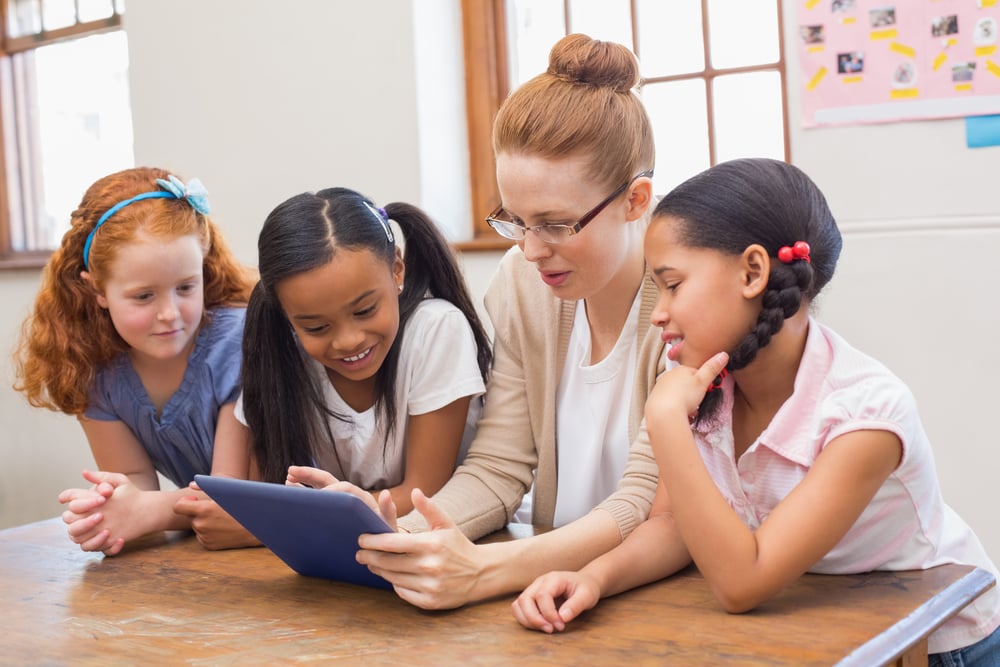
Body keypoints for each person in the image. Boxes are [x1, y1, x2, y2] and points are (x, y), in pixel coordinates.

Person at [511, 158, 1000, 664]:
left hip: (939, 641)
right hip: (819, 620)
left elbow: (742, 584)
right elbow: (674, 524)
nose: (659, 312)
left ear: (752, 272)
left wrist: (666, 427)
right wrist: (593, 577)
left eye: (673, 285)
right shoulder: (710, 383)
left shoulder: (865, 414)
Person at [291, 33, 663, 610]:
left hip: (653, 591)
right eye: (515, 220)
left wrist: (487, 568)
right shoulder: (523, 284)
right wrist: (394, 537)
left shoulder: (683, 298)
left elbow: (645, 500)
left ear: (635, 200)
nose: (532, 249)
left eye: (556, 224)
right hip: (548, 592)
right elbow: (498, 467)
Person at [13, 167, 257, 555]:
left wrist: (148, 512)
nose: (170, 313)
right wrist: (108, 512)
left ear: (203, 266)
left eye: (185, 287)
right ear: (97, 290)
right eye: (144, 296)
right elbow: (133, 482)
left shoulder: (238, 342)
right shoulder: (93, 370)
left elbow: (230, 498)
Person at [222, 187, 492, 520]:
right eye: (317, 328)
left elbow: (424, 493)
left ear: (397, 271)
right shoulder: (280, 351)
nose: (348, 341)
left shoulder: (435, 330)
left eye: (364, 310)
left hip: (448, 541)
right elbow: (264, 490)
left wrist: (281, 519)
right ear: (286, 316)